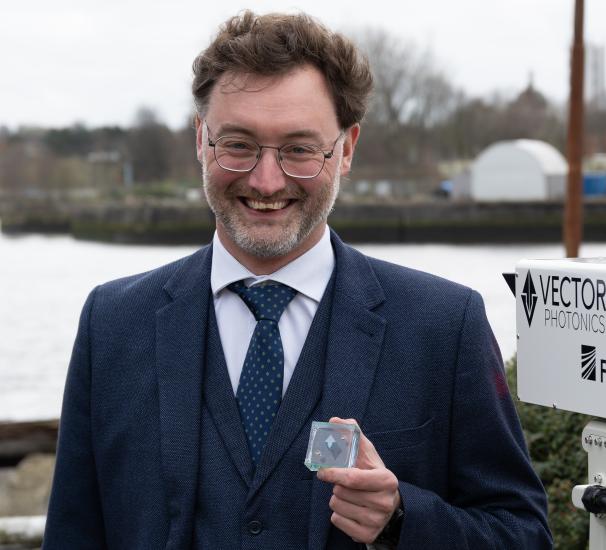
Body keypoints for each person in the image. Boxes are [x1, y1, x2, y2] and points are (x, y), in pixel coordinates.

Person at [43, 11, 553, 549]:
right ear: (200, 139)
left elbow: (522, 534)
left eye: (300, 149)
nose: (266, 181)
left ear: (346, 149)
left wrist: (403, 517)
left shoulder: (444, 326)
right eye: (238, 144)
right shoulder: (112, 323)